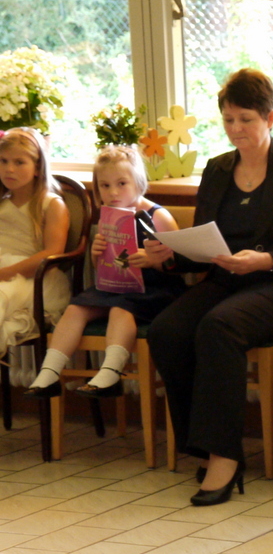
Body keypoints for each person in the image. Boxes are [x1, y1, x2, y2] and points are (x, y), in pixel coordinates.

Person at [146, 68, 273, 507]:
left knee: (219, 326)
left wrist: (265, 260)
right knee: (167, 330)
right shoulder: (217, 169)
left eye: (246, 119)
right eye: (229, 119)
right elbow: (203, 245)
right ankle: (201, 444)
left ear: (270, 118)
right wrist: (168, 255)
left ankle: (225, 457)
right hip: (228, 278)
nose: (236, 129)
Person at [26, 145, 181, 398]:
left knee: (121, 309)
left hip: (154, 288)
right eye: (105, 186)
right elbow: (103, 267)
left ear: (138, 182)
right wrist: (97, 254)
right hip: (116, 286)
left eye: (122, 184)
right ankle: (49, 373)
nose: (113, 192)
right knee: (76, 308)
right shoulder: (110, 217)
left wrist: (153, 260)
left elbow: (179, 262)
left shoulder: (157, 216)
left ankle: (111, 373)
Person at [0, 127, 69, 359]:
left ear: (38, 168)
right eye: (3, 161)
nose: (9, 169)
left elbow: (52, 252)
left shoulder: (51, 205)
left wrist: (6, 273)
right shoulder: (2, 203)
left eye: (19, 162)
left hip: (38, 279)